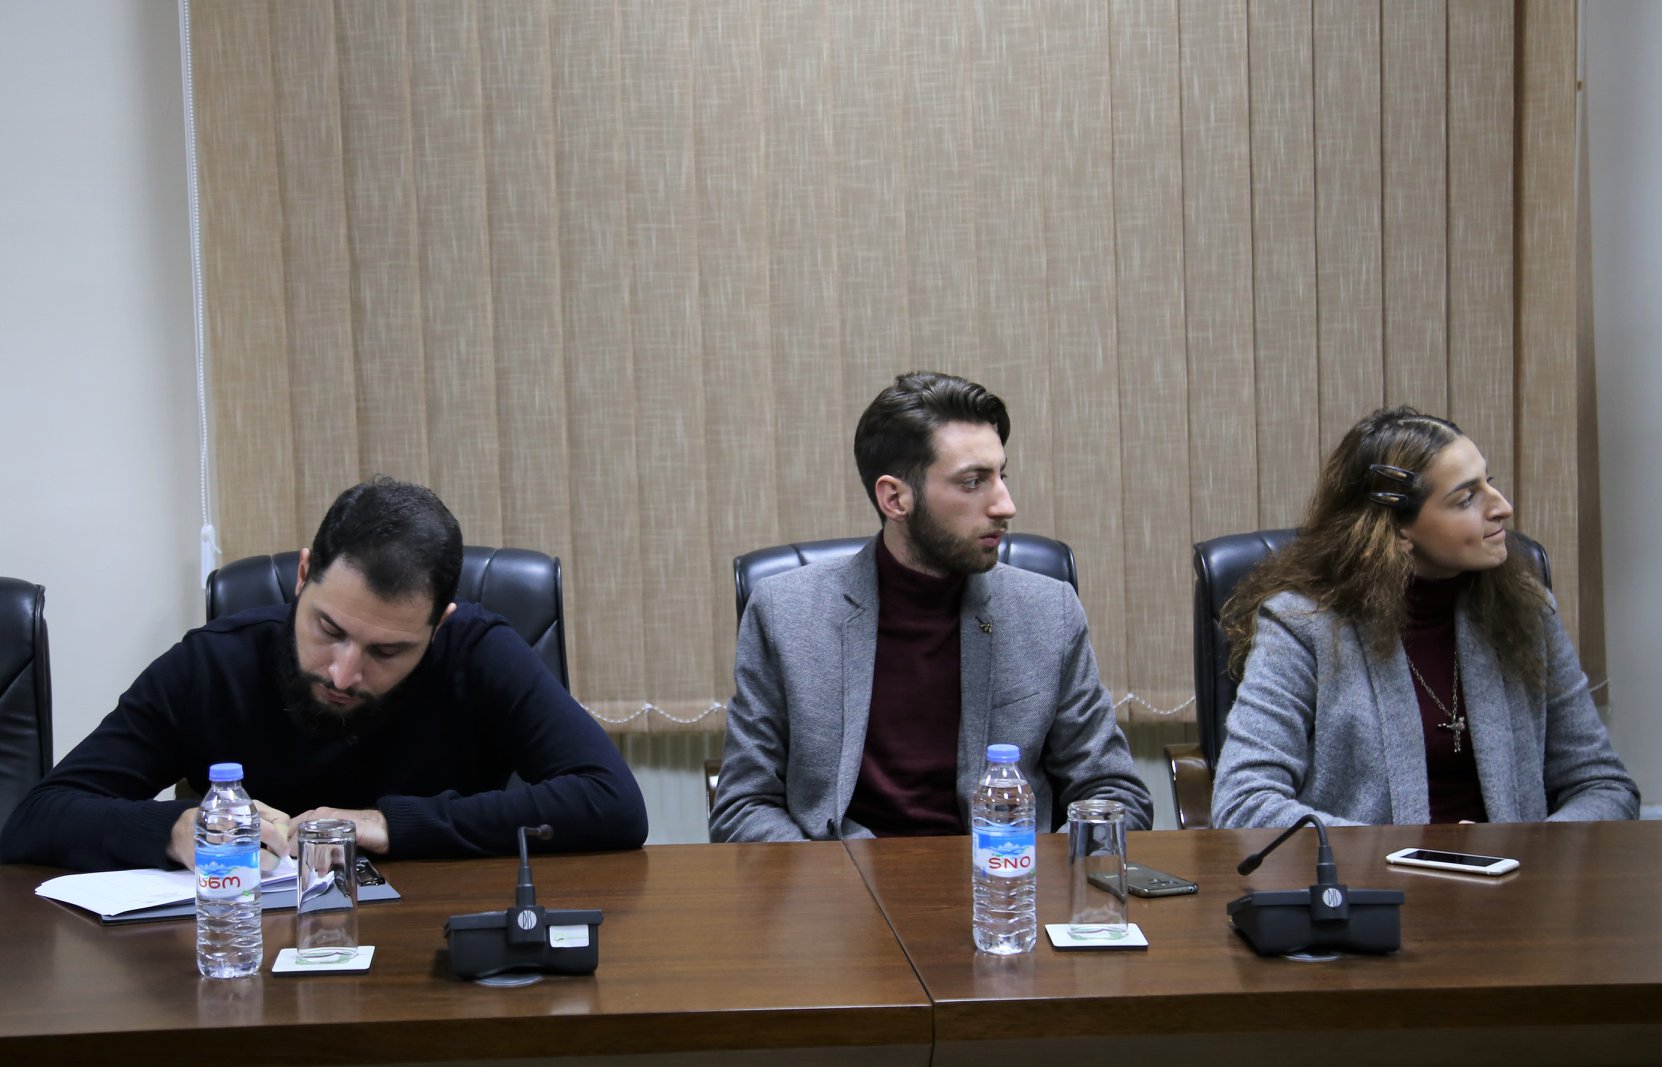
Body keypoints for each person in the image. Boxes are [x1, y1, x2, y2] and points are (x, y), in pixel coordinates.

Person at [2, 478, 648, 871]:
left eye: (387, 651)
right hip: (247, 960)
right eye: (329, 629)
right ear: (305, 574)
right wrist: (172, 828)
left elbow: (611, 802)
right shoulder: (212, 664)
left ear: (439, 625)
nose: (343, 673)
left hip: (435, 952)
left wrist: (391, 824)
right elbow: (37, 817)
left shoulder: (479, 652)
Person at [710, 372, 1153, 842]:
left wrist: (1040, 870)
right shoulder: (786, 613)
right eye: (973, 482)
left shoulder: (1047, 612)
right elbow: (743, 806)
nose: (1005, 505)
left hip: (1003, 876)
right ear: (895, 498)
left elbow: (1113, 792)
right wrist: (834, 878)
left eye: (1001, 476)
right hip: (839, 876)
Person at [1210, 407, 1639, 828]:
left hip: (1519, 873)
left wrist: (1525, 850)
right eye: (1466, 498)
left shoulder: (1527, 610)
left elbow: (1603, 786)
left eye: (1488, 483)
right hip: (1368, 874)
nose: (1502, 507)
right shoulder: (1302, 625)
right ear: (1396, 531)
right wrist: (1410, 856)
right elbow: (1244, 803)